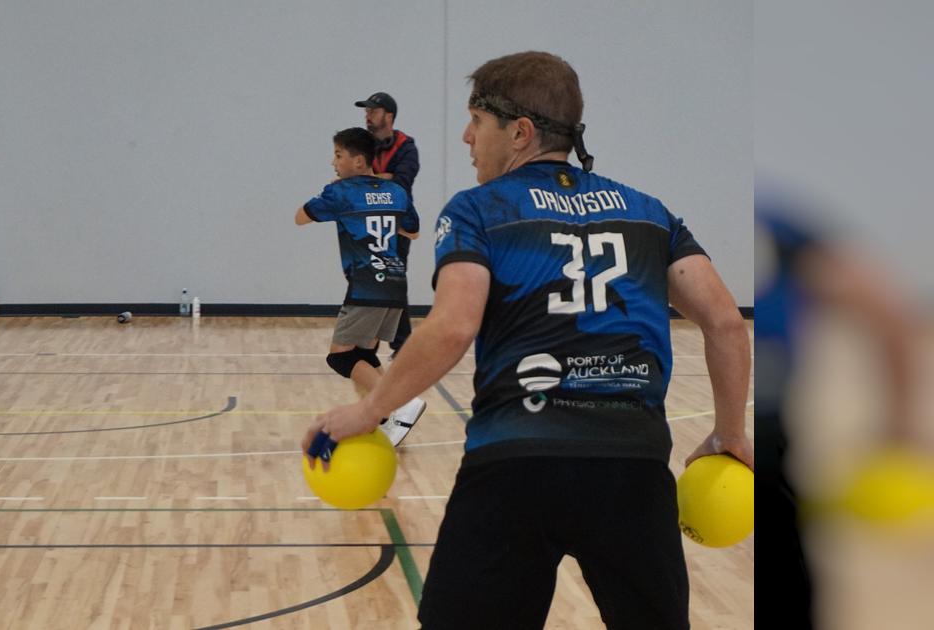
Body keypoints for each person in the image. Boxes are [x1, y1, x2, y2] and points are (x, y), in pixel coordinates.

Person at [304, 51, 753, 628]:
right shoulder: (649, 213)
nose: (466, 138)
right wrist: (731, 432)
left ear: (519, 133)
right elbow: (723, 321)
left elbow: (454, 325)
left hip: (514, 465)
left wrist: (371, 409)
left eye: (476, 122)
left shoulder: (478, 210)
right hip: (632, 470)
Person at [756, 192, 920, 629]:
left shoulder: (777, 224)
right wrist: (899, 424)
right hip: (772, 445)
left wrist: (898, 425)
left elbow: (883, 311)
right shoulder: (774, 221)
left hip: (776, 449)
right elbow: (885, 310)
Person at [295, 127, 426, 447]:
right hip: (395, 282)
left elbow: (301, 217)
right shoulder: (396, 191)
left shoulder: (341, 192)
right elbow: (413, 232)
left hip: (367, 284)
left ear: (358, 161)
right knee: (364, 355)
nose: (333, 162)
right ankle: (383, 416)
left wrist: (334, 193)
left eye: (338, 155)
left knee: (340, 357)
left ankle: (400, 405)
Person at [355, 92, 419, 356]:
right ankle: (384, 342)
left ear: (388, 116)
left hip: (398, 224)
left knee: (392, 279)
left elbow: (401, 183)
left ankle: (400, 343)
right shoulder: (361, 143)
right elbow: (352, 176)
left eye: (373, 110)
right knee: (372, 280)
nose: (367, 115)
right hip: (367, 222)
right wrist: (383, 177)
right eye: (366, 111)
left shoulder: (406, 146)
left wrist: (370, 178)